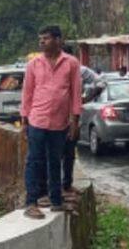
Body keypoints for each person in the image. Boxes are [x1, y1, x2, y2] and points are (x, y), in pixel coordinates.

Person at [20, 25, 82, 219]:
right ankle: (31, 202)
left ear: (58, 40)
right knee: (34, 161)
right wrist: (24, 120)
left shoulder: (71, 63)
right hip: (37, 120)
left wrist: (75, 121)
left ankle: (56, 201)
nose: (42, 42)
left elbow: (75, 94)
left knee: (55, 161)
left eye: (46, 38)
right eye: (40, 39)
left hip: (60, 123)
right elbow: (27, 93)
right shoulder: (34, 64)